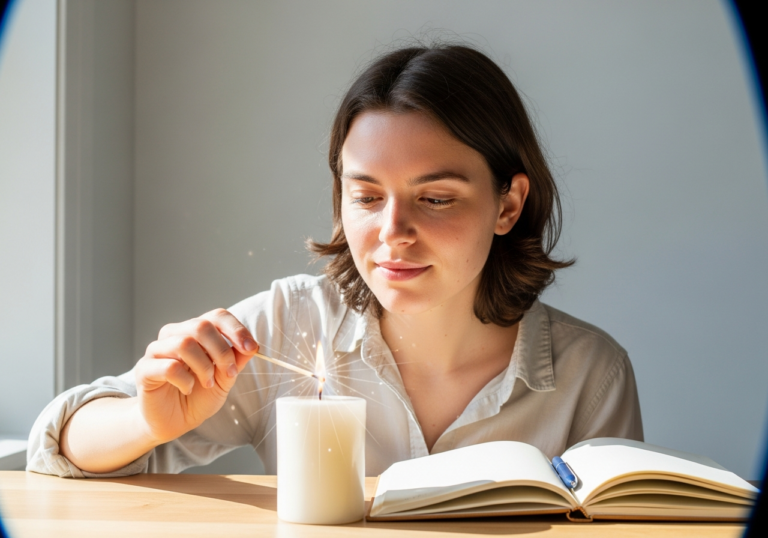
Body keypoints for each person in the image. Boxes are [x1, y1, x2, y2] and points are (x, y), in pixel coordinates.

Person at [27, 44, 643, 478]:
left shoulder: (590, 376)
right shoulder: (289, 325)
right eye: (367, 197)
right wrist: (146, 419)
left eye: (435, 199)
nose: (392, 232)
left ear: (507, 204)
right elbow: (58, 448)